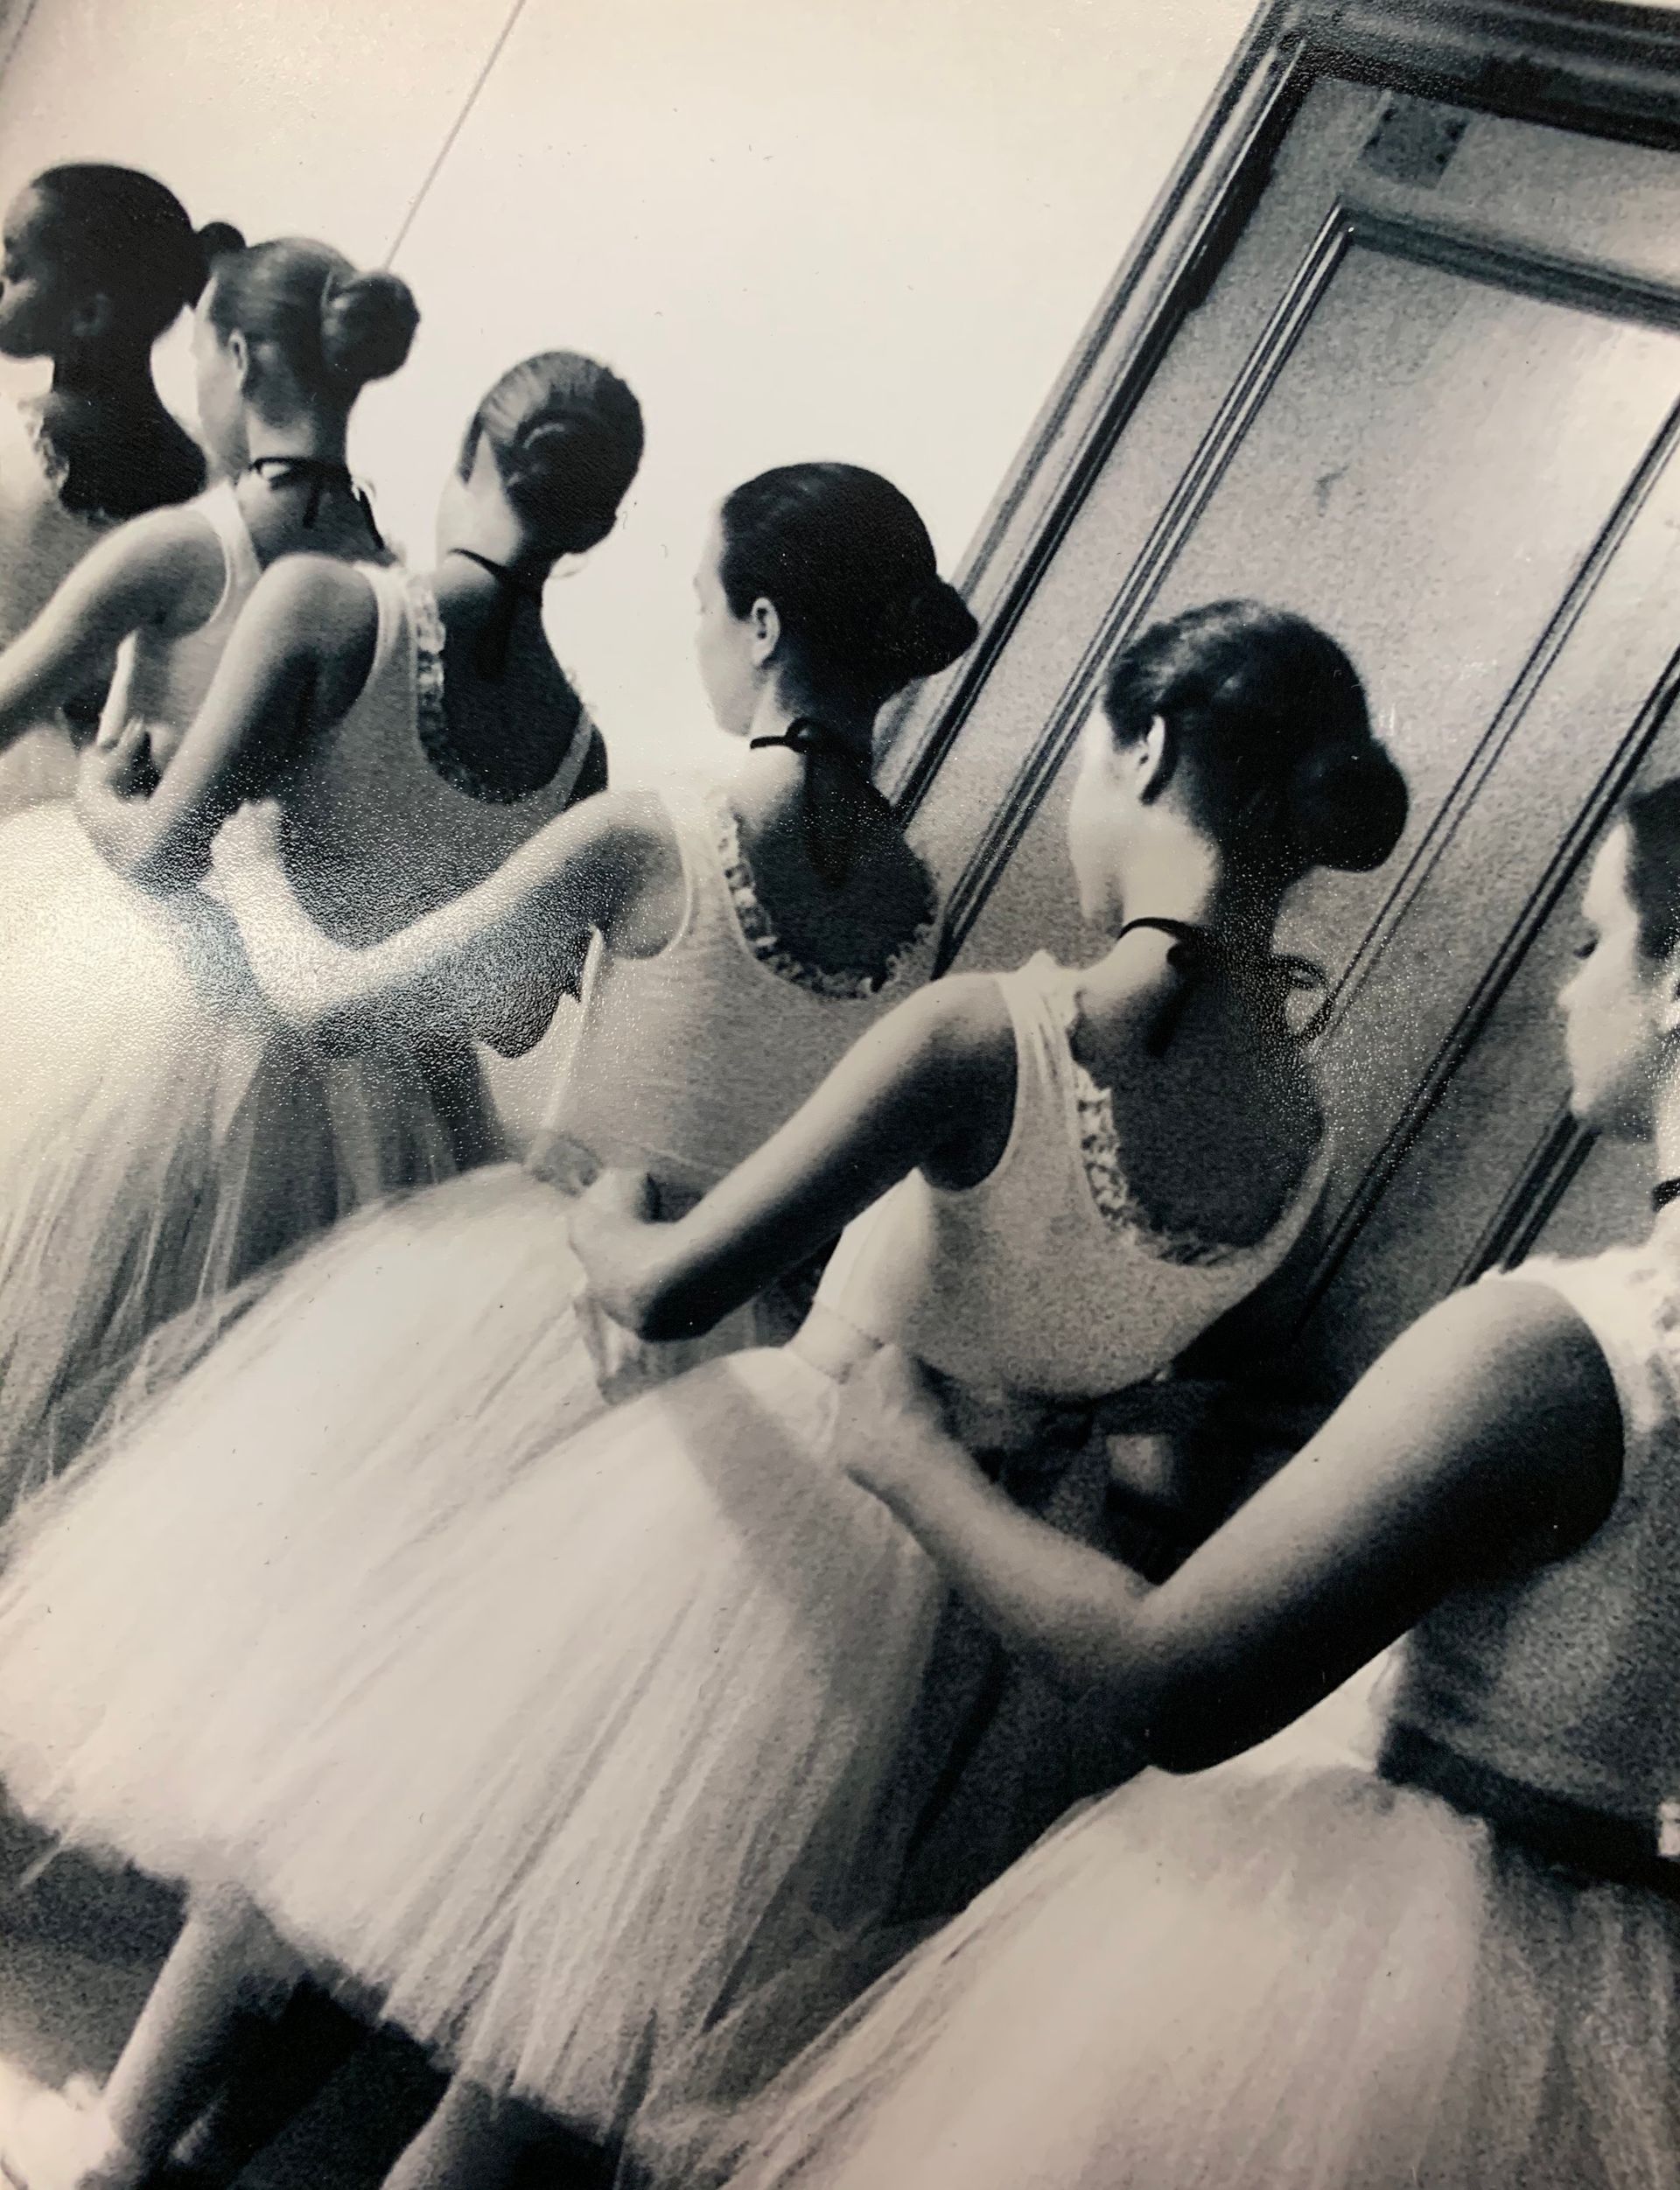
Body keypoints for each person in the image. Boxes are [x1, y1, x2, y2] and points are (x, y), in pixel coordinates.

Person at [0, 599, 1405, 2190]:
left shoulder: (991, 1029)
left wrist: (603, 1205)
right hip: (963, 1596)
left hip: (764, 1502)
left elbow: (672, 1281)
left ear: (1145, 751)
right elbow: (1195, 1403)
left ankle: (117, 2151)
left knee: (347, 1800)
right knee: (575, 2011)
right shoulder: (1305, 1139)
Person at [0, 459, 971, 2190]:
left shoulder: (652, 823)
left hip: (534, 1304)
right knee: (501, 1868)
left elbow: (377, 1004)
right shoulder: (920, 913)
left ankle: (126, 2154)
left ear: (756, 622)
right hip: (737, 1386)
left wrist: (239, 863)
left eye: (701, 601)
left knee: (309, 1755)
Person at [712, 777, 1680, 2190]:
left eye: (1595, 942)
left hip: (1388, 2014)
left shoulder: (1559, 1349)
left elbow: (1172, 1684)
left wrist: (905, 1455)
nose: (1564, 988)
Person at [0, 317, 638, 1508]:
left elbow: (161, 853)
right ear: (594, 528)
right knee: (161, 1458)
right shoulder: (582, 753)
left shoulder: (327, 604)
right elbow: (506, 1022)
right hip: (381, 1128)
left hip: (179, 1041)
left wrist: (97, 784)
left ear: (466, 460)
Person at [0, 164, 242, 814]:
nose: (0, 281)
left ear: (88, 314)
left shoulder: (9, 449)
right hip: (107, 800)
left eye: (15, 269)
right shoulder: (214, 475)